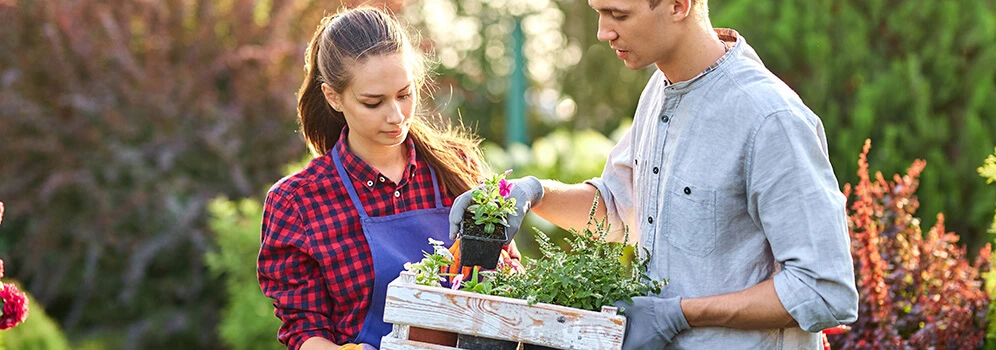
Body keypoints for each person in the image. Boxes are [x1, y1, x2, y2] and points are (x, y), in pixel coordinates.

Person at [449, 0, 859, 348]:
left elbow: (822, 289)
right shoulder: (660, 90)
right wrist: (531, 193)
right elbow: (617, 208)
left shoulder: (769, 118)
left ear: (679, 4)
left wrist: (679, 314)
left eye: (618, 15)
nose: (601, 32)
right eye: (598, 12)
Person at [258, 7, 518, 350]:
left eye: (404, 94)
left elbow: (509, 273)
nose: (396, 116)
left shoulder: (457, 167)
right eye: (373, 102)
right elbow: (304, 329)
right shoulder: (298, 202)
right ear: (333, 97)